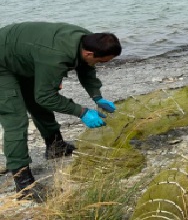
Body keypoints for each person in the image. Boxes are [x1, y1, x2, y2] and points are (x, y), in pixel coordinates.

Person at [0, 22, 122, 200]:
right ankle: (24, 184)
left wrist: (97, 96)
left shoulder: (90, 41)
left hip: (22, 56)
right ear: (89, 53)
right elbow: (46, 97)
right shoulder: (55, 56)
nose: (101, 64)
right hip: (2, 63)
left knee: (37, 103)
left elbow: (86, 68)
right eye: (101, 61)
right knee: (15, 120)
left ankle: (55, 146)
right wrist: (81, 112)